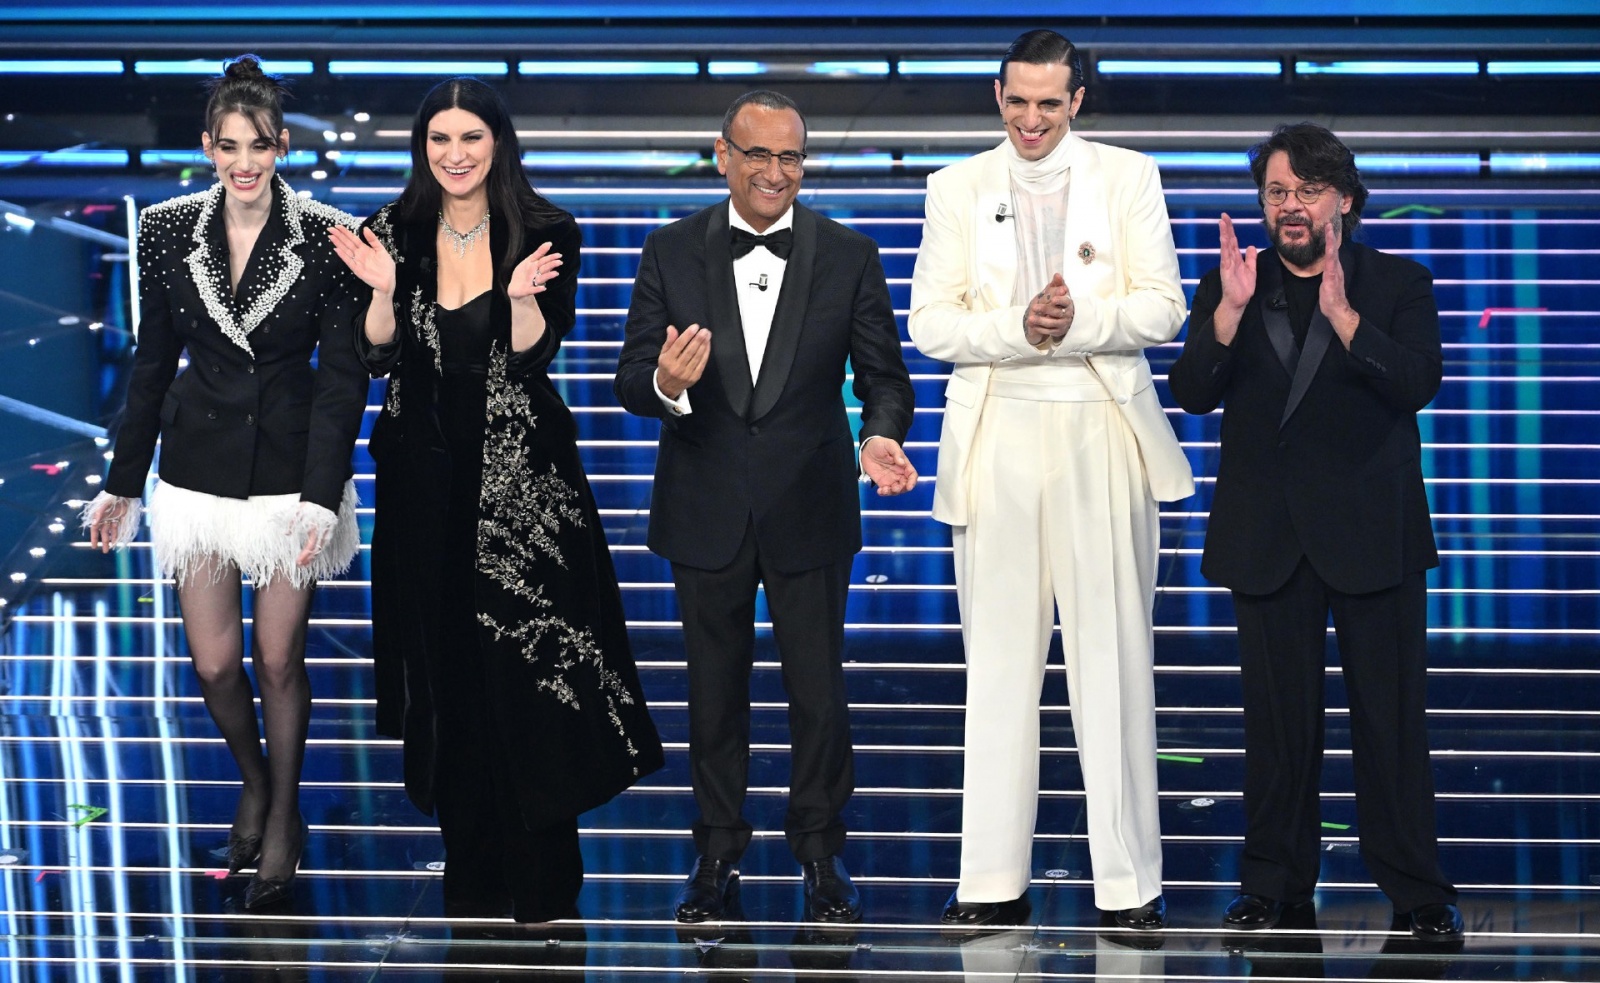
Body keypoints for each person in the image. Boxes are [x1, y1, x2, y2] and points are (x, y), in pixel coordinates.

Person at [329, 76, 664, 923]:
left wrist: (517, 301)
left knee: (528, 670)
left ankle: (545, 870)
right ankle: (470, 865)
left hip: (524, 490)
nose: (454, 154)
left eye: (469, 137)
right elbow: (377, 358)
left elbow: (535, 354)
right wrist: (377, 292)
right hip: (423, 481)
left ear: (499, 142)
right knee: (444, 667)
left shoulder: (546, 230)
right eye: (438, 139)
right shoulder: (392, 231)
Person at [907, 29, 1195, 932]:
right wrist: (1019, 329)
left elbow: (1164, 305)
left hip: (1100, 425)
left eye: (1049, 102)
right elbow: (930, 325)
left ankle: (1129, 884)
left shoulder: (1128, 176)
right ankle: (990, 880)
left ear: (1078, 101)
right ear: (998, 96)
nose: (1031, 119)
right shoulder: (953, 188)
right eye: (1016, 100)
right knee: (996, 666)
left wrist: (1074, 324)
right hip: (996, 429)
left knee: (1112, 660)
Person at [614, 89, 916, 924]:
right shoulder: (670, 250)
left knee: (819, 692)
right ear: (722, 156)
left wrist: (880, 436)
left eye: (790, 157)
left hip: (811, 503)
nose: (774, 172)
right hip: (704, 502)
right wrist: (666, 385)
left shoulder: (849, 254)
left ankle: (822, 855)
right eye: (757, 154)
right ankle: (716, 850)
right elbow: (631, 376)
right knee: (713, 693)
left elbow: (885, 378)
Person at [83, 55, 368, 909]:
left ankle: (283, 814)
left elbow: (343, 375)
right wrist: (122, 482)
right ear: (209, 147)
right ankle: (254, 777)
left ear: (281, 148)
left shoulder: (326, 234)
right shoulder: (166, 229)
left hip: (288, 481)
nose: (246, 162)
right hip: (199, 477)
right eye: (230, 146)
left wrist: (325, 492)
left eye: (261, 146)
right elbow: (150, 363)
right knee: (214, 666)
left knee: (278, 657)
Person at [1168, 122, 1463, 942]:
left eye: (1304, 192)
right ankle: (1272, 884)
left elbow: (1419, 381)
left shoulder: (1399, 281)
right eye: (1275, 192)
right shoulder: (1231, 282)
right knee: (1276, 728)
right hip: (1268, 537)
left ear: (1343, 198)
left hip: (1373, 533)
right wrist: (1225, 315)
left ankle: (1416, 890)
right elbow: (1192, 390)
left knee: (1392, 723)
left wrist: (1344, 319)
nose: (1288, 207)